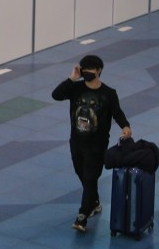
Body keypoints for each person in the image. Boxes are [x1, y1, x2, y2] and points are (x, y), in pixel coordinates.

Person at [52, 55, 131, 232]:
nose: (86, 72)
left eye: (90, 69)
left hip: (97, 145)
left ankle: (82, 216)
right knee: (81, 174)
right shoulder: (75, 88)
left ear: (99, 70)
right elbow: (56, 95)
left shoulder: (109, 93)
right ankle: (94, 202)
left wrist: (125, 126)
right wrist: (72, 78)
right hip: (76, 141)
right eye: (84, 69)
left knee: (90, 177)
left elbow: (117, 112)